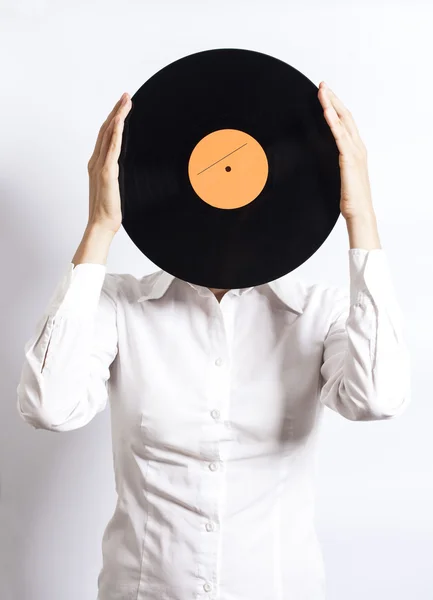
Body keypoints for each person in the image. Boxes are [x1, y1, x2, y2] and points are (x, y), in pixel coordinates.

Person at [16, 83, 411, 600]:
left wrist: (362, 220)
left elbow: (378, 398)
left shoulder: (320, 313)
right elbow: (48, 406)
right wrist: (100, 227)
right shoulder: (119, 308)